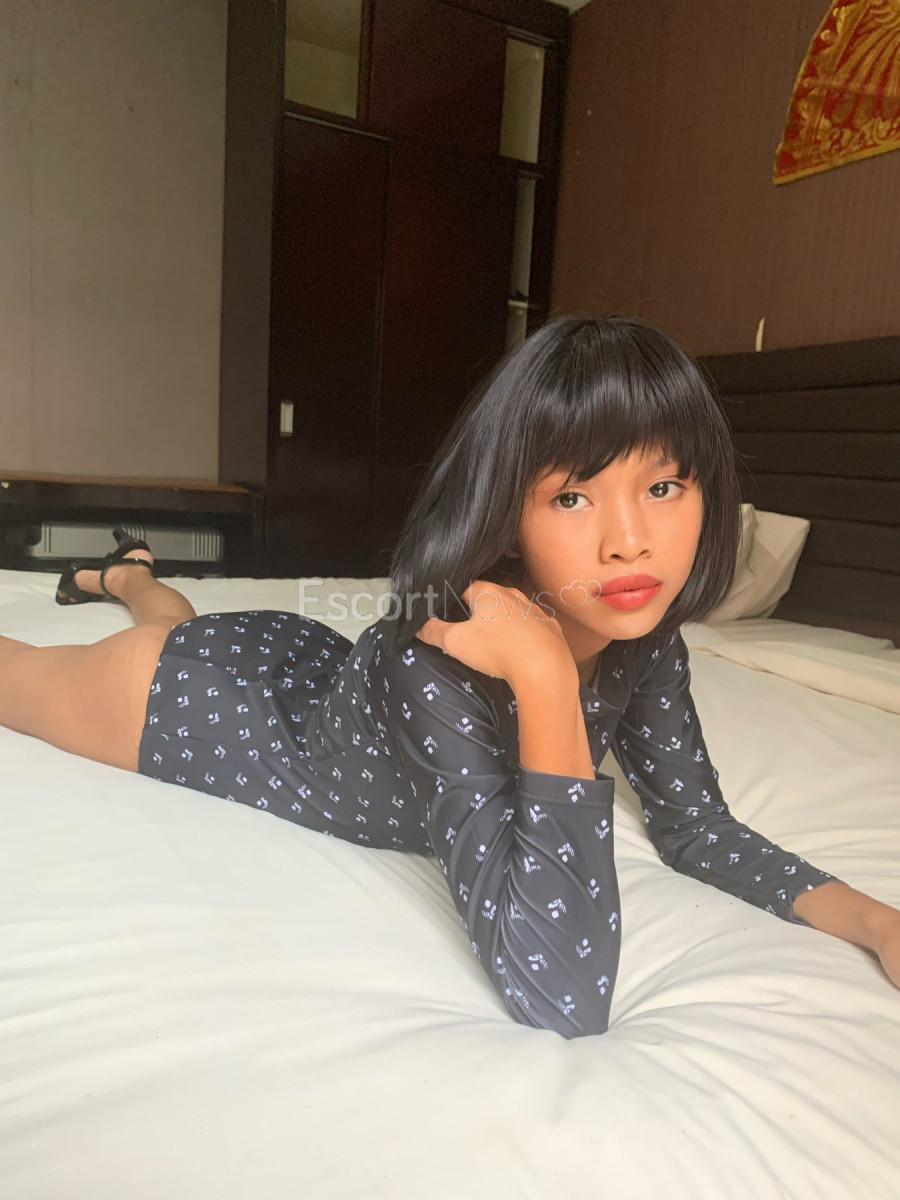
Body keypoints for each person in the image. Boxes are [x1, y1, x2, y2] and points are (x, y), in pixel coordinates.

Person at [1, 313, 897, 1038]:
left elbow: (695, 827)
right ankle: (132, 588)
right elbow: (561, 995)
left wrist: (875, 922)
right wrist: (545, 677)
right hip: (192, 704)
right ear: (505, 512)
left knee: (173, 618)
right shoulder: (434, 658)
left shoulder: (643, 636)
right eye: (573, 496)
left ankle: (127, 577)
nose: (630, 542)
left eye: (664, 488)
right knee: (55, 665)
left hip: (299, 661)